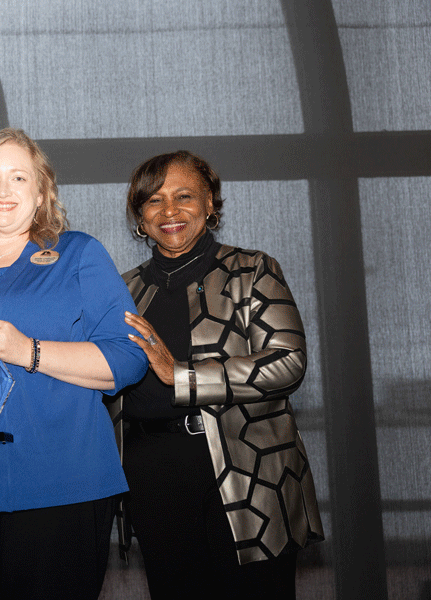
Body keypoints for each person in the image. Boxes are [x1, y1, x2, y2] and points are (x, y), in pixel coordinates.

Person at [0, 128, 148, 600]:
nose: (3, 190)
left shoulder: (78, 254)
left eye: (19, 177)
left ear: (41, 193)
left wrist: (29, 352)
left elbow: (129, 355)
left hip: (56, 484)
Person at [113, 150, 324, 599]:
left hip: (246, 475)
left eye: (184, 196)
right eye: (153, 201)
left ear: (210, 204)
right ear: (140, 217)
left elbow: (287, 361)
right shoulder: (122, 290)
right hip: (152, 478)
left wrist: (182, 376)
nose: (169, 211)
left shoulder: (253, 270)